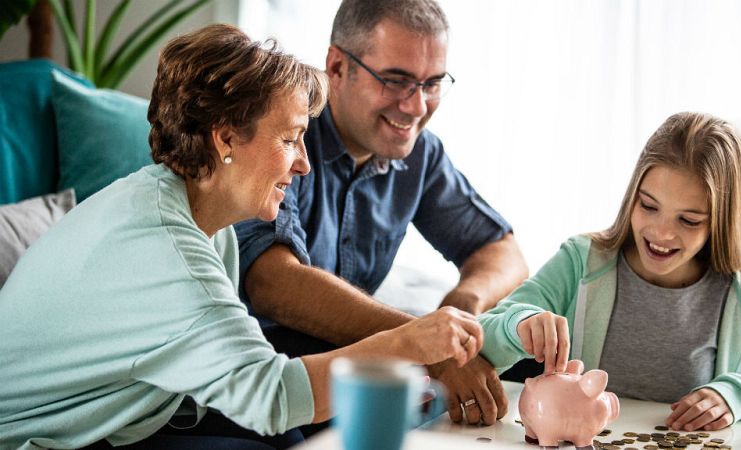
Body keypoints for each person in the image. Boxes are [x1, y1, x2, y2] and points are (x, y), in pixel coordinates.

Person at [0, 24, 486, 450]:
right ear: (226, 137)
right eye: (289, 138)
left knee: (288, 435)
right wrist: (407, 342)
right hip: (41, 437)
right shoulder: (168, 249)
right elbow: (271, 397)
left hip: (132, 414)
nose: (304, 162)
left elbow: (243, 378)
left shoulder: (190, 210)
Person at [235, 0, 529, 426]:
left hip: (359, 380)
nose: (416, 106)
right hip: (269, 385)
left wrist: (459, 306)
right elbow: (274, 283)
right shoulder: (284, 130)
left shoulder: (420, 154)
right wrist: (423, 343)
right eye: (396, 81)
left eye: (432, 83)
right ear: (336, 67)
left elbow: (503, 252)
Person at [478, 112, 741, 431]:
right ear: (633, 195)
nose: (661, 234)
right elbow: (480, 338)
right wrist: (519, 323)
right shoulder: (580, 262)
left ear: (719, 220)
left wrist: (734, 394)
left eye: (688, 220)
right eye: (648, 206)